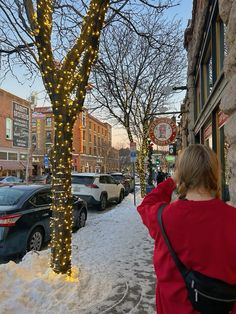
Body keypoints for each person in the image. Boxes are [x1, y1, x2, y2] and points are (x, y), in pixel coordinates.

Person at [137, 144, 236, 314]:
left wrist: (171, 181)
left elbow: (146, 203)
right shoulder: (232, 218)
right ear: (214, 174)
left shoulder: (163, 217)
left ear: (181, 174)